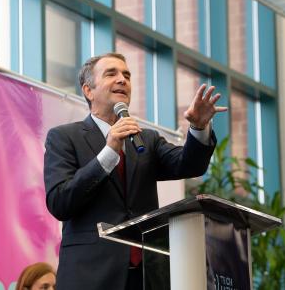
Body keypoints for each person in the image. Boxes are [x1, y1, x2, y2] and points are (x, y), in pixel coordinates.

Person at [44, 53, 227, 290]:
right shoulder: (64, 137)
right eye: (111, 74)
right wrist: (109, 153)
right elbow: (59, 202)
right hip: (90, 275)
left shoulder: (146, 139)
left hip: (146, 276)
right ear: (88, 90)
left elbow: (189, 164)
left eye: (127, 75)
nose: (122, 79)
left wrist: (198, 127)